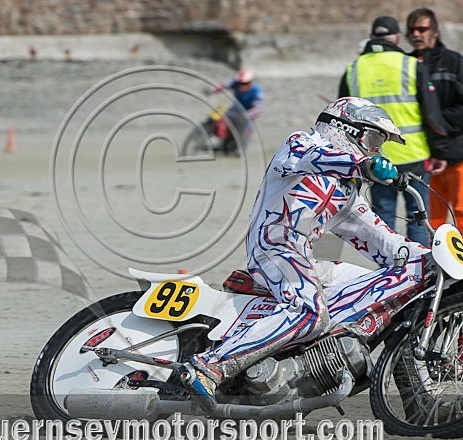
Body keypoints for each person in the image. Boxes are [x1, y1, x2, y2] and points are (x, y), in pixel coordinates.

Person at [183, 97, 430, 412]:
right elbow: (318, 157)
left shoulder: (345, 194)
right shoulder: (299, 145)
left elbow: (382, 240)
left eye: (379, 144)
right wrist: (361, 165)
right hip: (273, 245)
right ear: (343, 128)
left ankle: (417, 402)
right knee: (310, 313)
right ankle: (209, 366)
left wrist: (434, 260)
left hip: (304, 257)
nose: (376, 150)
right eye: (372, 139)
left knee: (394, 290)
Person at [338, 15, 447, 246]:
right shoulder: (411, 65)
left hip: (374, 158)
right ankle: (418, 270)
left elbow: (342, 115)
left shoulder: (354, 69)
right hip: (414, 154)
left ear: (372, 37)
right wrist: (440, 151)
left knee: (383, 218)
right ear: (397, 38)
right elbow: (432, 114)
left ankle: (390, 271)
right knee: (418, 217)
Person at [406, 7, 463, 263]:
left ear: (435, 31)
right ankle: (442, 267)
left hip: (459, 153)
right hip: (425, 155)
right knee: (433, 219)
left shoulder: (455, 63)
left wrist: (435, 123)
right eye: (412, 30)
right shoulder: (407, 64)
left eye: (422, 29)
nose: (417, 34)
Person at [208, 67, 264, 153]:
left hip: (249, 113)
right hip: (236, 108)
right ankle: (222, 139)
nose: (242, 85)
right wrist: (212, 90)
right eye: (241, 83)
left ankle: (241, 150)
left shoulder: (257, 92)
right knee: (222, 118)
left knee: (248, 130)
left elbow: (258, 108)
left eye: (245, 83)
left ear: (250, 82)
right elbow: (223, 86)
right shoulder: (236, 83)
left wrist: (249, 114)